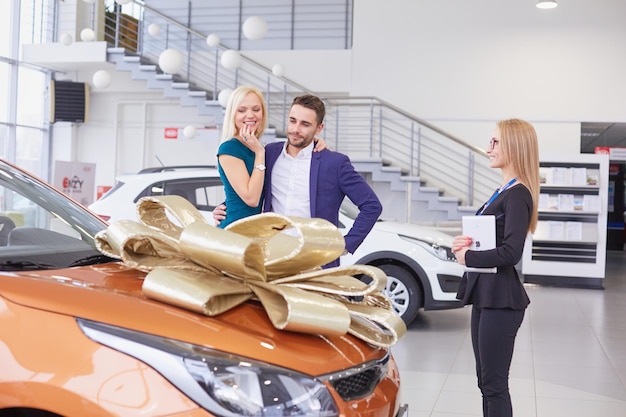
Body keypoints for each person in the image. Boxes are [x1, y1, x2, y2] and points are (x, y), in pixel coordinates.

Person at [215, 94, 383, 267]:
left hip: (313, 259)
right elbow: (254, 187)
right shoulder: (269, 153)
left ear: (319, 128)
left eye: (305, 124)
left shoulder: (334, 163)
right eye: (293, 121)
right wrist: (224, 206)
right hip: (270, 257)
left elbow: (372, 206)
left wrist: (345, 245)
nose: (296, 129)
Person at [451, 119, 539, 417]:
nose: (488, 149)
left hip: (502, 299)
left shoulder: (518, 194)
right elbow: (493, 241)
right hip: (487, 295)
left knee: (494, 385)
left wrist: (469, 258)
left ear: (514, 147)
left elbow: (511, 252)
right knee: (485, 382)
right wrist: (465, 245)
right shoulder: (504, 190)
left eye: (495, 142)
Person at [216, 86, 328, 228]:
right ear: (232, 114)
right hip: (234, 232)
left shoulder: (259, 148)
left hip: (256, 233)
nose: (250, 115)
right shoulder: (230, 148)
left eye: (256, 109)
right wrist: (260, 153)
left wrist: (314, 142)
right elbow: (252, 199)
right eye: (242, 110)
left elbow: (263, 188)